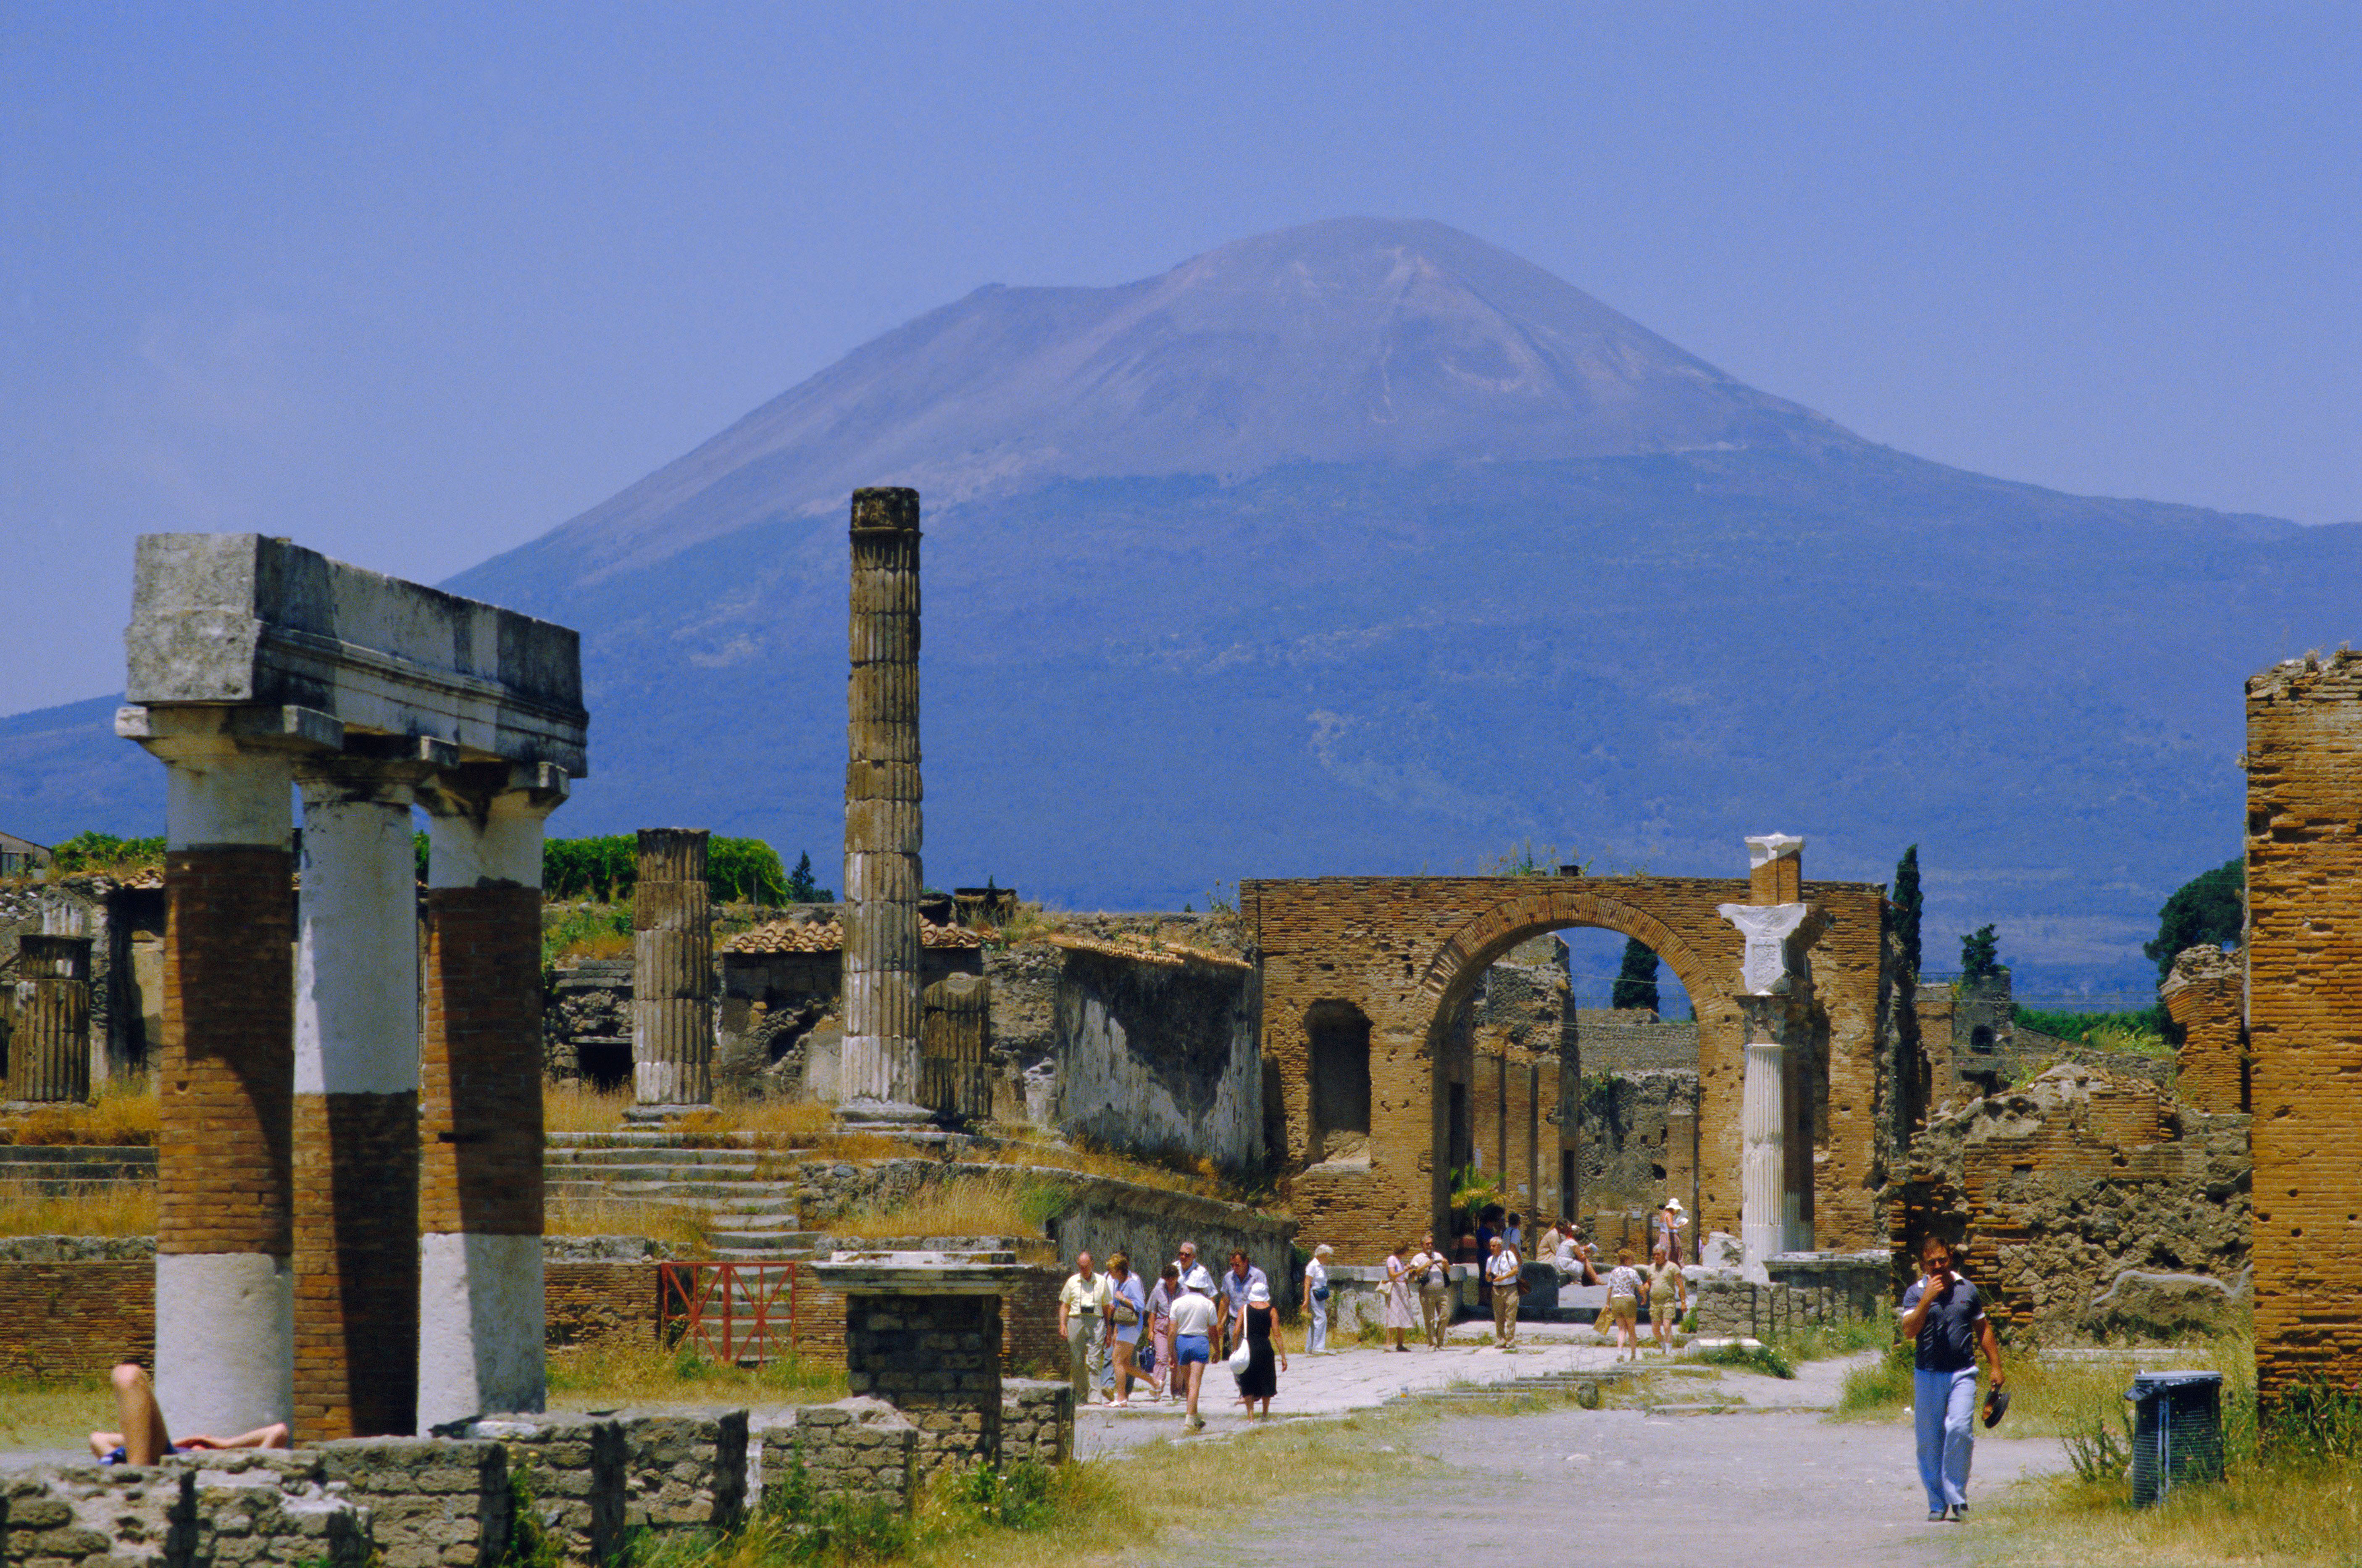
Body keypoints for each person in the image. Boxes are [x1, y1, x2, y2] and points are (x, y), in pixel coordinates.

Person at [1899, 1236, 2005, 1523]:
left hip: (1963, 1372)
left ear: (1950, 1259)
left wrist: (1996, 1366)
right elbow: (1909, 1331)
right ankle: (1937, 1502)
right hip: (1929, 1374)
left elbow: (1983, 1329)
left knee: (1959, 1429)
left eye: (1942, 1260)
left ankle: (1957, 1498)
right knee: (1929, 1440)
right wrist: (1927, 1300)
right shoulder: (1914, 1293)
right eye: (1931, 1262)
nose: (1938, 1266)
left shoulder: (1967, 1290)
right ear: (1923, 1265)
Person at [88, 1361, 288, 1465]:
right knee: (125, 1374)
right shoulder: (174, 1451)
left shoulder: (225, 1468)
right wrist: (185, 1442)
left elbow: (278, 1433)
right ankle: (139, 1480)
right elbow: (98, 1438)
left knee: (129, 1375)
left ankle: (139, 1482)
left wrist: (226, 1446)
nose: (199, 1443)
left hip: (156, 1467)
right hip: (159, 1456)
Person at [1166, 1269, 1220, 1431]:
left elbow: (1172, 1331)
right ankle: (1189, 1420)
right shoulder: (1209, 1304)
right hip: (1200, 1342)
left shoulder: (1177, 1303)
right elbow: (1213, 1331)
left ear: (1188, 1285)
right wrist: (1217, 1350)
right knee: (1195, 1383)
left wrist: (1171, 1352)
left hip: (1182, 1342)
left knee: (1189, 1383)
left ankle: (1195, 1416)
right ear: (1203, 1287)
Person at [1057, 1250, 1111, 1405]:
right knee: (1077, 1361)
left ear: (1093, 1265)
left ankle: (1095, 1398)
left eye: (1086, 1266)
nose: (1083, 1269)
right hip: (1076, 1320)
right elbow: (1065, 1305)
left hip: (1096, 1321)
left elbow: (1107, 1307)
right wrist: (1062, 1324)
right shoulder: (1072, 1281)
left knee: (1094, 1361)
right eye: (1080, 1266)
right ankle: (1081, 1396)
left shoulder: (1102, 1281)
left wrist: (1109, 1329)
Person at [1233, 1279, 1287, 1415]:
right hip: (1265, 1348)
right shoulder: (1272, 1311)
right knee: (1267, 1381)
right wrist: (1283, 1357)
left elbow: (1236, 1331)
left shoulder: (1244, 1309)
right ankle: (1265, 1415)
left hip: (1249, 1348)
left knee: (1248, 1381)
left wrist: (1235, 1349)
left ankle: (1251, 1418)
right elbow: (1277, 1335)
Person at [1105, 1251, 1146, 1408]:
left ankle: (1121, 1397)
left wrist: (1123, 1299)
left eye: (1112, 1270)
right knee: (1126, 1364)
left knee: (1117, 1360)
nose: (1110, 1273)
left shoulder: (1132, 1283)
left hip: (1132, 1325)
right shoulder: (1119, 1284)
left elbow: (1140, 1305)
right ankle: (1155, 1383)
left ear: (1119, 1270)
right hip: (1123, 1325)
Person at [1217, 1249, 1268, 1361]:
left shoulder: (1258, 1276)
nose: (1234, 1268)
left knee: (1253, 1353)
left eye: (1237, 1265)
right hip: (1234, 1321)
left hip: (1252, 1321)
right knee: (1236, 1355)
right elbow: (1225, 1301)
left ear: (1246, 1262)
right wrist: (1220, 1322)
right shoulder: (1228, 1278)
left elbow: (1264, 1300)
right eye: (1232, 1265)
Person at [1409, 1231, 1452, 1350]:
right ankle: (1432, 1343)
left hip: (1441, 1291)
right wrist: (1425, 1266)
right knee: (1430, 1319)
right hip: (1427, 1292)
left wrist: (1447, 1265)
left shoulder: (1438, 1256)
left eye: (1431, 1244)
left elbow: (1447, 1271)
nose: (1430, 1246)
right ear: (1422, 1245)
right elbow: (1412, 1273)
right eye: (1427, 1244)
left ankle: (1440, 1341)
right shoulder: (1418, 1258)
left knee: (1446, 1315)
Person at [1145, 1262, 1180, 1400]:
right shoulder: (1158, 1291)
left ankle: (1176, 1391)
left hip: (1177, 1327)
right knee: (1162, 1358)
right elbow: (1152, 1312)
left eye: (1173, 1278)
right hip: (1162, 1327)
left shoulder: (1184, 1291)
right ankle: (1157, 1388)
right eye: (1168, 1278)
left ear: (1177, 1278)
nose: (1170, 1281)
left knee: (1176, 1360)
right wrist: (1151, 1331)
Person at [1601, 1247, 1644, 1360]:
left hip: (1616, 1300)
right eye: (1631, 1259)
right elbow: (1641, 1288)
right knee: (1631, 1329)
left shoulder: (1614, 1272)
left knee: (1621, 1329)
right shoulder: (1633, 1272)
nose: (1633, 1261)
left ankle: (1620, 1352)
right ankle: (1633, 1354)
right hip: (1628, 1299)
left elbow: (1610, 1288)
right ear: (1627, 1260)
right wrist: (1644, 1297)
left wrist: (1607, 1304)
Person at [1647, 1242, 1687, 1354]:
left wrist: (1683, 1302)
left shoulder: (1673, 1267)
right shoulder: (1651, 1268)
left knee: (1667, 1326)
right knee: (1655, 1329)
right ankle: (1664, 1346)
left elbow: (1680, 1285)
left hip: (1668, 1301)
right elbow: (1649, 1284)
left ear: (1665, 1254)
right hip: (1655, 1302)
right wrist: (1642, 1289)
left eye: (1658, 1254)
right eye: (1654, 1254)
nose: (1656, 1257)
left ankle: (1669, 1351)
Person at [1485, 1234, 1523, 1347]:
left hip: (1510, 1288)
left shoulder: (1508, 1255)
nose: (1492, 1248)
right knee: (1498, 1316)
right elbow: (1488, 1279)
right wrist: (1488, 1275)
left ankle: (1510, 1340)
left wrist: (1503, 1277)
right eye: (1491, 1246)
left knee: (1511, 1316)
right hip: (1497, 1290)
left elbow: (1515, 1270)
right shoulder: (1490, 1260)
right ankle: (1501, 1339)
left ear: (1500, 1246)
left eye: (1494, 1246)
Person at [1380, 1242, 1416, 1352]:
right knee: (1393, 1315)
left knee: (1403, 1316)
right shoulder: (1392, 1259)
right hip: (1395, 1289)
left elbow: (1401, 1275)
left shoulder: (1400, 1261)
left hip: (1402, 1288)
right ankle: (1388, 1344)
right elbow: (1392, 1274)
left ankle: (1400, 1344)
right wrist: (1404, 1270)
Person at [1303, 1244, 1334, 1355]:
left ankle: (1310, 1347)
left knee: (1316, 1320)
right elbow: (1307, 1282)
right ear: (1322, 1255)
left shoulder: (1320, 1266)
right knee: (1321, 1318)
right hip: (1315, 1295)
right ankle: (1318, 1347)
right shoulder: (1313, 1266)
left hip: (1321, 1295)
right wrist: (1306, 1300)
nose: (1329, 1259)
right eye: (1328, 1256)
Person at [1653, 1198, 1689, 1265]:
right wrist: (1679, 1226)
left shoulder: (1663, 1214)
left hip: (1663, 1237)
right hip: (1669, 1237)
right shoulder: (1669, 1215)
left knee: (1663, 1254)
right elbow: (1670, 1226)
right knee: (1672, 1255)